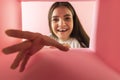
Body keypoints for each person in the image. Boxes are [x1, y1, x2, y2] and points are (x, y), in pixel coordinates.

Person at [2, 2, 89, 72]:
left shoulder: (81, 44)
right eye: (55, 19)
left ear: (74, 21)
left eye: (67, 18)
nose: (61, 24)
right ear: (50, 23)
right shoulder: (44, 41)